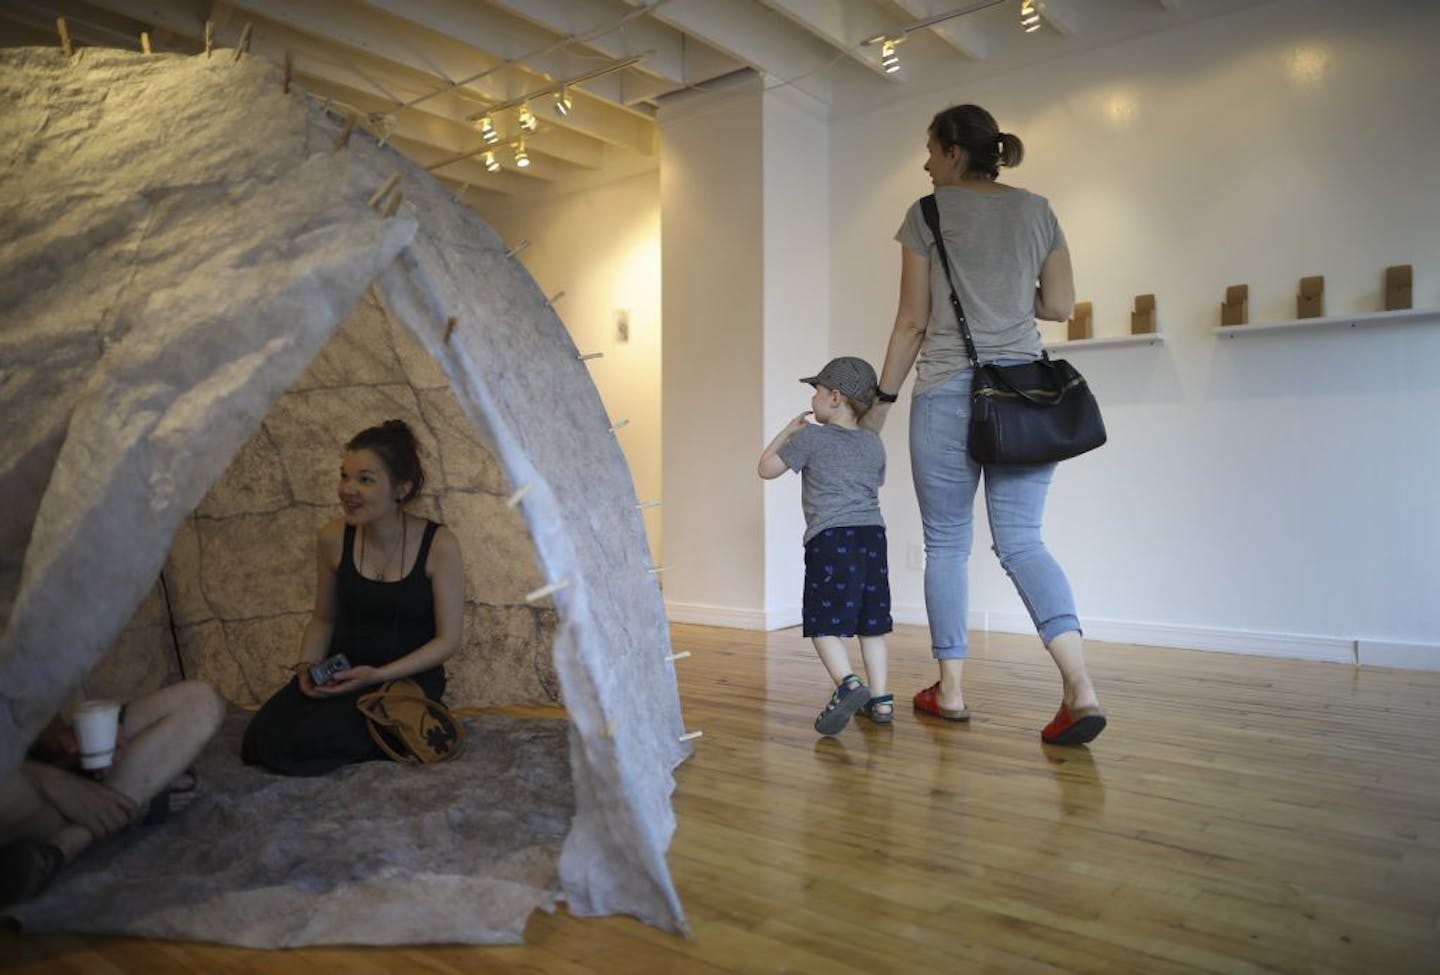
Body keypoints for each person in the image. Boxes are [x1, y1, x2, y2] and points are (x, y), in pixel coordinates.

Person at [862, 103, 1105, 746]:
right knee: (1023, 541)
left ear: (949, 150)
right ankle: (1080, 689)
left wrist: (882, 403)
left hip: (946, 391)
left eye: (929, 150)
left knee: (947, 545)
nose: (923, 163)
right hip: (1024, 398)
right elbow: (1058, 305)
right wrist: (1003, 295)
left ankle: (951, 691)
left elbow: (913, 320)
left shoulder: (927, 212)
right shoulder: (1039, 210)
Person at [241, 419, 466, 775]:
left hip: (401, 680)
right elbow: (323, 618)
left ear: (401, 489)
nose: (348, 489)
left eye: (365, 479)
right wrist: (306, 667)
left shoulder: (440, 544)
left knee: (318, 743)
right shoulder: (332, 538)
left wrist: (377, 674)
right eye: (344, 476)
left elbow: (448, 639)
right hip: (342, 671)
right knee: (262, 739)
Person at [0, 679, 226, 907]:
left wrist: (64, 743)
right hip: (17, 789)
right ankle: (136, 793)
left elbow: (30, 711)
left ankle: (63, 846)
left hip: (38, 774)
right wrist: (43, 778)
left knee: (201, 701)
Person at [758, 357, 893, 736]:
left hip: (832, 538)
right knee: (872, 624)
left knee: (822, 620)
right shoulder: (873, 444)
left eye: (815, 391)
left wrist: (788, 430)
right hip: (872, 537)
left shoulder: (809, 438)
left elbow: (765, 468)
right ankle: (880, 700)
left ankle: (848, 683)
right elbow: (874, 482)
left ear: (834, 397)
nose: (812, 398)